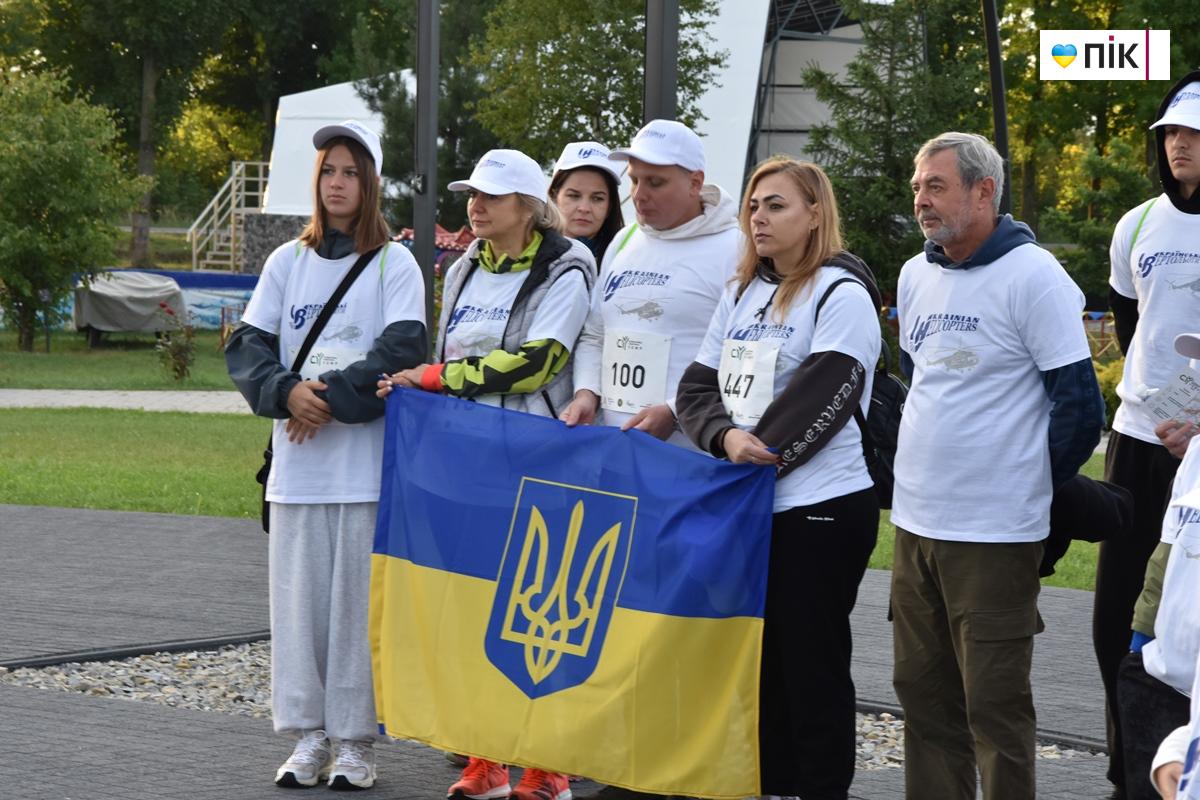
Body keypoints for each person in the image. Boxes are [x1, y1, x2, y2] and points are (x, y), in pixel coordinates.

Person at [890, 132, 1105, 799]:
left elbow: (1078, 409)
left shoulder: (1034, 276)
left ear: (984, 191)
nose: (922, 200)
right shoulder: (914, 273)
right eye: (919, 186)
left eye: (937, 186)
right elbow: (915, 380)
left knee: (995, 710)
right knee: (923, 704)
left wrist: (1024, 491)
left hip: (993, 536)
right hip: (915, 525)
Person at [377, 147, 595, 800]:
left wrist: (438, 381)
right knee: (474, 607)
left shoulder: (566, 263)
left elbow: (538, 362)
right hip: (468, 459)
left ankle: (548, 767)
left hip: (537, 458)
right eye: (472, 194)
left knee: (533, 613)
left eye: (491, 196)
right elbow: (452, 348)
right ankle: (485, 761)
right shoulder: (466, 262)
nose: (475, 205)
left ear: (528, 207)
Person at [224, 120, 428, 789]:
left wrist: (328, 400)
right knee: (299, 612)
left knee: (355, 616)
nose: (338, 183)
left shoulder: (397, 263)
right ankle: (308, 737)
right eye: (328, 172)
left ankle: (356, 745)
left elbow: (401, 352)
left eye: (350, 172)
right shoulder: (287, 261)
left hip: (364, 472)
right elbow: (246, 346)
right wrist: (288, 393)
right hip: (298, 473)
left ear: (371, 182)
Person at [676, 156, 883, 799]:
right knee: (760, 662)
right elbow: (696, 386)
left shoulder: (841, 292)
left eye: (777, 205)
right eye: (754, 207)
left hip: (821, 506)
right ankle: (774, 785)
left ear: (815, 213)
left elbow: (827, 394)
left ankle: (821, 789)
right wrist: (724, 436)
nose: (759, 218)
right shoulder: (743, 289)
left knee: (811, 664)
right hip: (751, 503)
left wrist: (754, 450)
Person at [1100, 70, 1200, 799]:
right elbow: (1131, 324)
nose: (1180, 146)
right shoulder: (1134, 224)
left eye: (1193, 134)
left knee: (1185, 623)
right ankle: (1126, 772)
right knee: (1117, 620)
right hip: (1136, 441)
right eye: (1170, 133)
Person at [560, 119, 740, 449]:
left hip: (691, 451)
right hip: (617, 446)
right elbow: (596, 332)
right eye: (634, 180)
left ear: (695, 182)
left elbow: (743, 353)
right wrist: (587, 392)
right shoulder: (624, 241)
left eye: (655, 182)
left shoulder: (736, 249)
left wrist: (675, 410)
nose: (639, 195)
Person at [549, 141, 625, 263]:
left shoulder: (627, 258)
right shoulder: (523, 254)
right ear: (554, 197)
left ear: (610, 206)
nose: (584, 208)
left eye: (597, 198)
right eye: (574, 196)